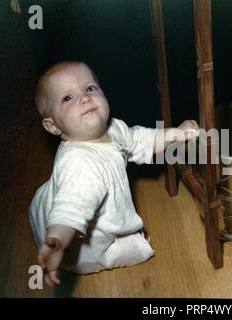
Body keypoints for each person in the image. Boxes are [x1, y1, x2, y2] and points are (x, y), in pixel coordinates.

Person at [29, 60, 199, 287]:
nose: (84, 98)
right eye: (67, 98)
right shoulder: (79, 162)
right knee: (128, 247)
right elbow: (71, 207)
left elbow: (141, 140)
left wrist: (176, 133)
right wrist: (58, 240)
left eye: (90, 88)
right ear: (53, 126)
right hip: (77, 238)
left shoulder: (113, 128)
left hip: (62, 204)